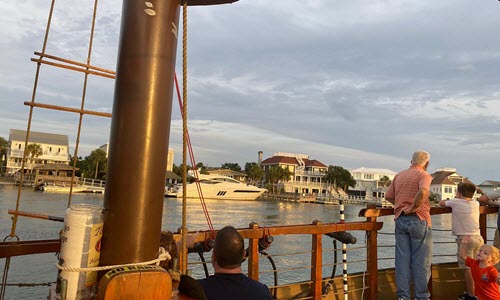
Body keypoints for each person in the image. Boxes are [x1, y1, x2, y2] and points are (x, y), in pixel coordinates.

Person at [385, 150, 433, 300]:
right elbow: (423, 191)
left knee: (402, 261)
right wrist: (413, 208)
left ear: (411, 162)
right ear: (427, 163)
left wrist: (400, 207)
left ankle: (403, 297)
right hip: (419, 219)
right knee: (421, 262)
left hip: (400, 219)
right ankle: (421, 297)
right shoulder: (424, 175)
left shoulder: (400, 175)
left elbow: (388, 196)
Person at [198, 226, 272, 300]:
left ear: (214, 255)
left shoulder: (197, 291)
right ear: (243, 254)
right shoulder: (261, 292)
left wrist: (187, 245)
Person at [439, 182, 483, 299]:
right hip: (478, 237)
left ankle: (471, 295)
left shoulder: (455, 202)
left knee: (467, 267)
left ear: (458, 193)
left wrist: (455, 198)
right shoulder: (476, 203)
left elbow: (441, 202)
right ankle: (479, 293)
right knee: (478, 266)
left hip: (465, 240)